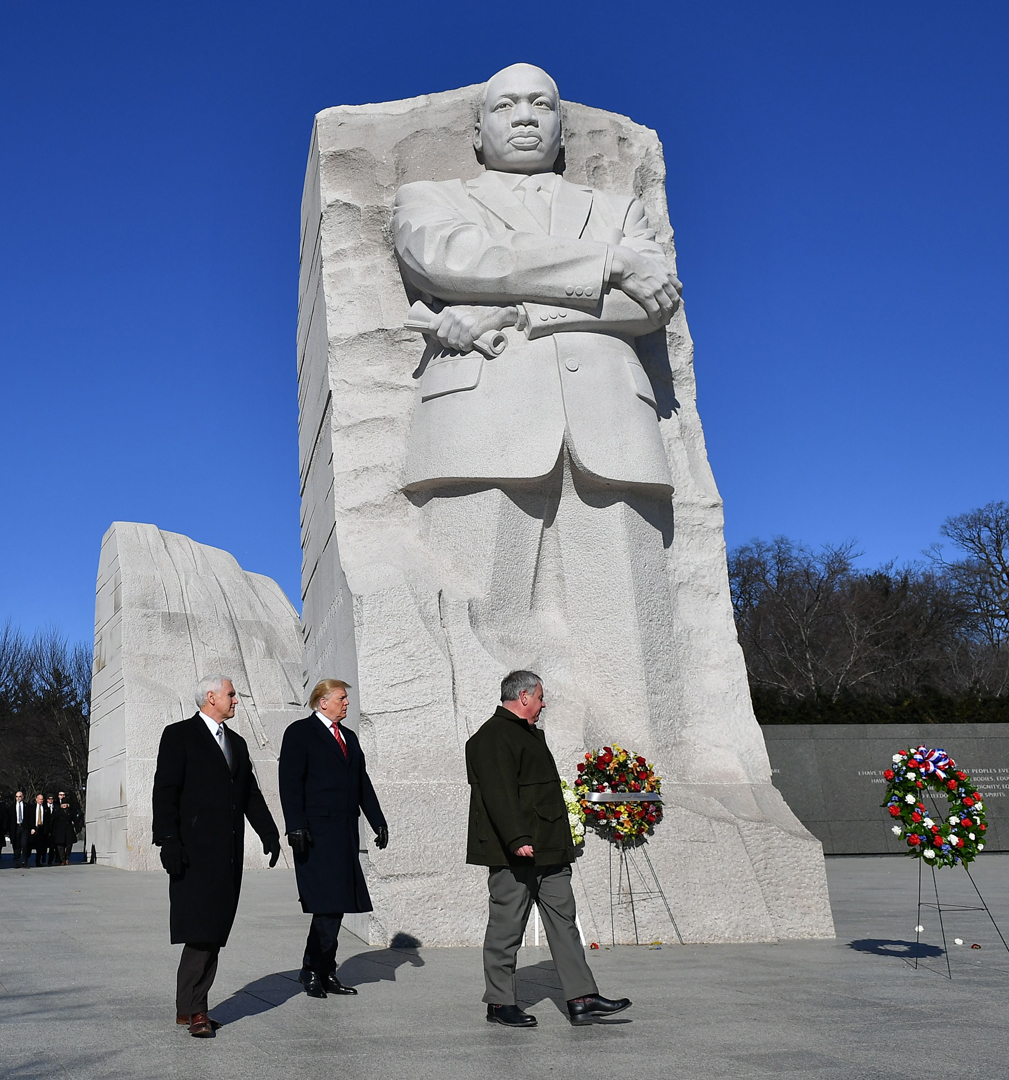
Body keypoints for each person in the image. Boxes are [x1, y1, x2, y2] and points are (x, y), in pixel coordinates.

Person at [391, 62, 696, 778]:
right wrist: (608, 265)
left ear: (562, 128)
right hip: (478, 425)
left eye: (541, 104)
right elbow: (452, 259)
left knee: (630, 634)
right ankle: (493, 791)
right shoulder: (432, 197)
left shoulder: (617, 207)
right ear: (477, 129)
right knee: (476, 615)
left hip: (612, 429)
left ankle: (641, 784)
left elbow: (651, 304)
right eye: (505, 105)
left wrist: (523, 312)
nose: (524, 115)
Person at [466, 670, 630, 1028]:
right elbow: (498, 794)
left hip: (549, 851)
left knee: (564, 922)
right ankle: (499, 1004)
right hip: (517, 853)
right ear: (523, 696)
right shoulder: (492, 736)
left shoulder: (526, 734)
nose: (544, 704)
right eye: (540, 697)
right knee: (507, 928)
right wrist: (516, 839)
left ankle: (582, 998)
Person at [153, 674, 282, 1038]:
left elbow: (250, 795)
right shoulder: (178, 735)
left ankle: (187, 1008)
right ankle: (196, 1010)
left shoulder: (236, 744)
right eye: (231, 694)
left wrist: (269, 833)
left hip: (226, 855)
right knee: (200, 929)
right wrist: (167, 841)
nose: (236, 700)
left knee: (215, 931)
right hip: (191, 853)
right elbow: (164, 791)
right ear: (210, 698)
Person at [278, 678, 388, 998]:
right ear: (322, 701)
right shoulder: (299, 733)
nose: (346, 703)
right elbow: (290, 782)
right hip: (313, 834)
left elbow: (361, 782)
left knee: (336, 905)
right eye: (341, 698)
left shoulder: (349, 738)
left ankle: (326, 970)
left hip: (343, 833)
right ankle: (312, 968)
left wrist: (377, 820)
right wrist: (295, 825)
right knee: (326, 905)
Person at [51, 791, 77, 866]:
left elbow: (75, 819)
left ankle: (67, 858)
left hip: (68, 830)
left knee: (69, 845)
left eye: (65, 804)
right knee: (60, 846)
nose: (64, 805)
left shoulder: (71, 811)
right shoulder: (57, 812)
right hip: (59, 831)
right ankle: (62, 859)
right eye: (63, 804)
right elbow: (54, 821)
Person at [8, 790, 31, 869]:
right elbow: (9, 819)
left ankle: (24, 861)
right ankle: (17, 861)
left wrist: (31, 828)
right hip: (16, 827)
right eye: (17, 796)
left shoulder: (27, 806)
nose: (18, 798)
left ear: (23, 797)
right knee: (16, 845)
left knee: (24, 844)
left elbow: (30, 818)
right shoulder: (11, 806)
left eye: (20, 796)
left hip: (24, 828)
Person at [31, 794, 51, 867]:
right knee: (32, 845)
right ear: (36, 799)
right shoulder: (32, 808)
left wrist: (47, 830)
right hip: (34, 828)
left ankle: (38, 861)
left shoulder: (46, 808)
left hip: (42, 828)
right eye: (39, 799)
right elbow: (30, 818)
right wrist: (32, 828)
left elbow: (48, 820)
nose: (41, 801)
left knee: (41, 846)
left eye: (42, 799)